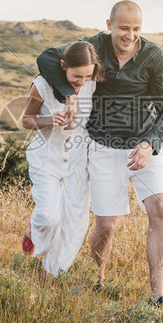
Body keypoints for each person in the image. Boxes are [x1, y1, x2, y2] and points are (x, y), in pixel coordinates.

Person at [36, 0, 163, 304]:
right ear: (110, 25)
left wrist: (150, 142)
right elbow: (47, 57)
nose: (130, 35)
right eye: (124, 28)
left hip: (144, 146)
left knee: (161, 210)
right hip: (102, 146)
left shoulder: (154, 56)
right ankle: (98, 278)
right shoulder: (93, 46)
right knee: (106, 225)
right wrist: (69, 94)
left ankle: (158, 296)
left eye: (137, 29)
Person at [21, 41, 102, 278]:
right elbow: (26, 120)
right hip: (45, 158)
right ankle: (34, 232)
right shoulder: (42, 84)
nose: (82, 82)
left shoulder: (91, 85)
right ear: (63, 66)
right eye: (77, 76)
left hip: (78, 162)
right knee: (48, 218)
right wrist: (48, 120)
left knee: (74, 223)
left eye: (87, 76)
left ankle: (51, 273)